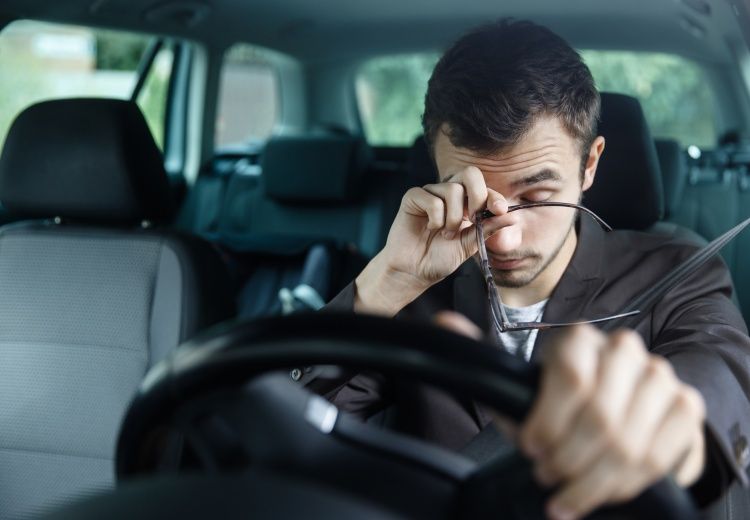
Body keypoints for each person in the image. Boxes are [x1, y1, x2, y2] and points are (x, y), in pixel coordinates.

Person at [308, 19, 750, 520]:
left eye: (536, 197)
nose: (504, 238)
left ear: (589, 165)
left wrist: (678, 438)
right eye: (476, 197)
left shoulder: (679, 273)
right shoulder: (413, 289)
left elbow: (721, 386)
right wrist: (386, 284)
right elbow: (284, 432)